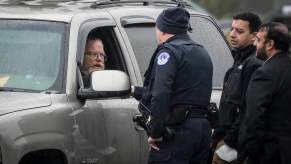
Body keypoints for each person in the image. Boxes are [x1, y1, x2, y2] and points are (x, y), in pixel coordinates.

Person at [132, 7, 213, 164]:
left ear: (163, 29)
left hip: (177, 133)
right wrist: (134, 91)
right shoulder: (202, 51)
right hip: (202, 129)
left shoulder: (168, 52)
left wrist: (155, 132)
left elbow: (161, 93)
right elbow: (184, 92)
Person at [212, 12, 262, 164]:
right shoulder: (239, 60)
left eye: (239, 31)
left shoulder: (254, 64)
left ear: (254, 36)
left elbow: (248, 110)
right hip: (224, 137)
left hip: (234, 142)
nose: (232, 34)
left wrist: (229, 142)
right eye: (232, 29)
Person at [241, 22, 291, 164]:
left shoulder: (265, 73)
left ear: (270, 44)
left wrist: (253, 152)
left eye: (258, 40)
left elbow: (254, 117)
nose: (254, 45)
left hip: (269, 153)